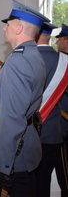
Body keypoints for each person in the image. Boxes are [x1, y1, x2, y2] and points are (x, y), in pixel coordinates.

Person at [0, 0, 49, 196]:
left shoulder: (19, 62)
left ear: (19, 27)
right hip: (22, 151)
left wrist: (4, 165)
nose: (5, 27)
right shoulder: (28, 56)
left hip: (14, 156)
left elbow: (12, 118)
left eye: (8, 24)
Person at [35, 22, 67, 197]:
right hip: (54, 133)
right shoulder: (62, 62)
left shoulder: (26, 58)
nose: (57, 43)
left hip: (33, 132)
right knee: (45, 180)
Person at [55, 23, 68, 197]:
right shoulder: (61, 60)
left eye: (60, 39)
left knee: (64, 169)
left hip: (64, 123)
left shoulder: (63, 62)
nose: (57, 42)